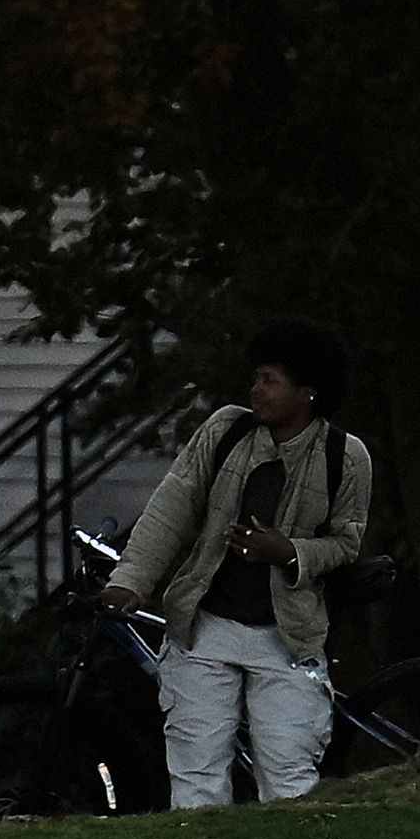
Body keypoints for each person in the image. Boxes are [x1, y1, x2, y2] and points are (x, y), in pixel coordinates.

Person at [101, 319, 375, 808]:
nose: (257, 389)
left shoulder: (345, 457)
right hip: (204, 628)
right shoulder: (226, 430)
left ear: (307, 393)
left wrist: (288, 552)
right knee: (195, 777)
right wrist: (130, 581)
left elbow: (346, 543)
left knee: (289, 778)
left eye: (270, 381)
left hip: (287, 637)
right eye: (257, 378)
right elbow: (174, 505)